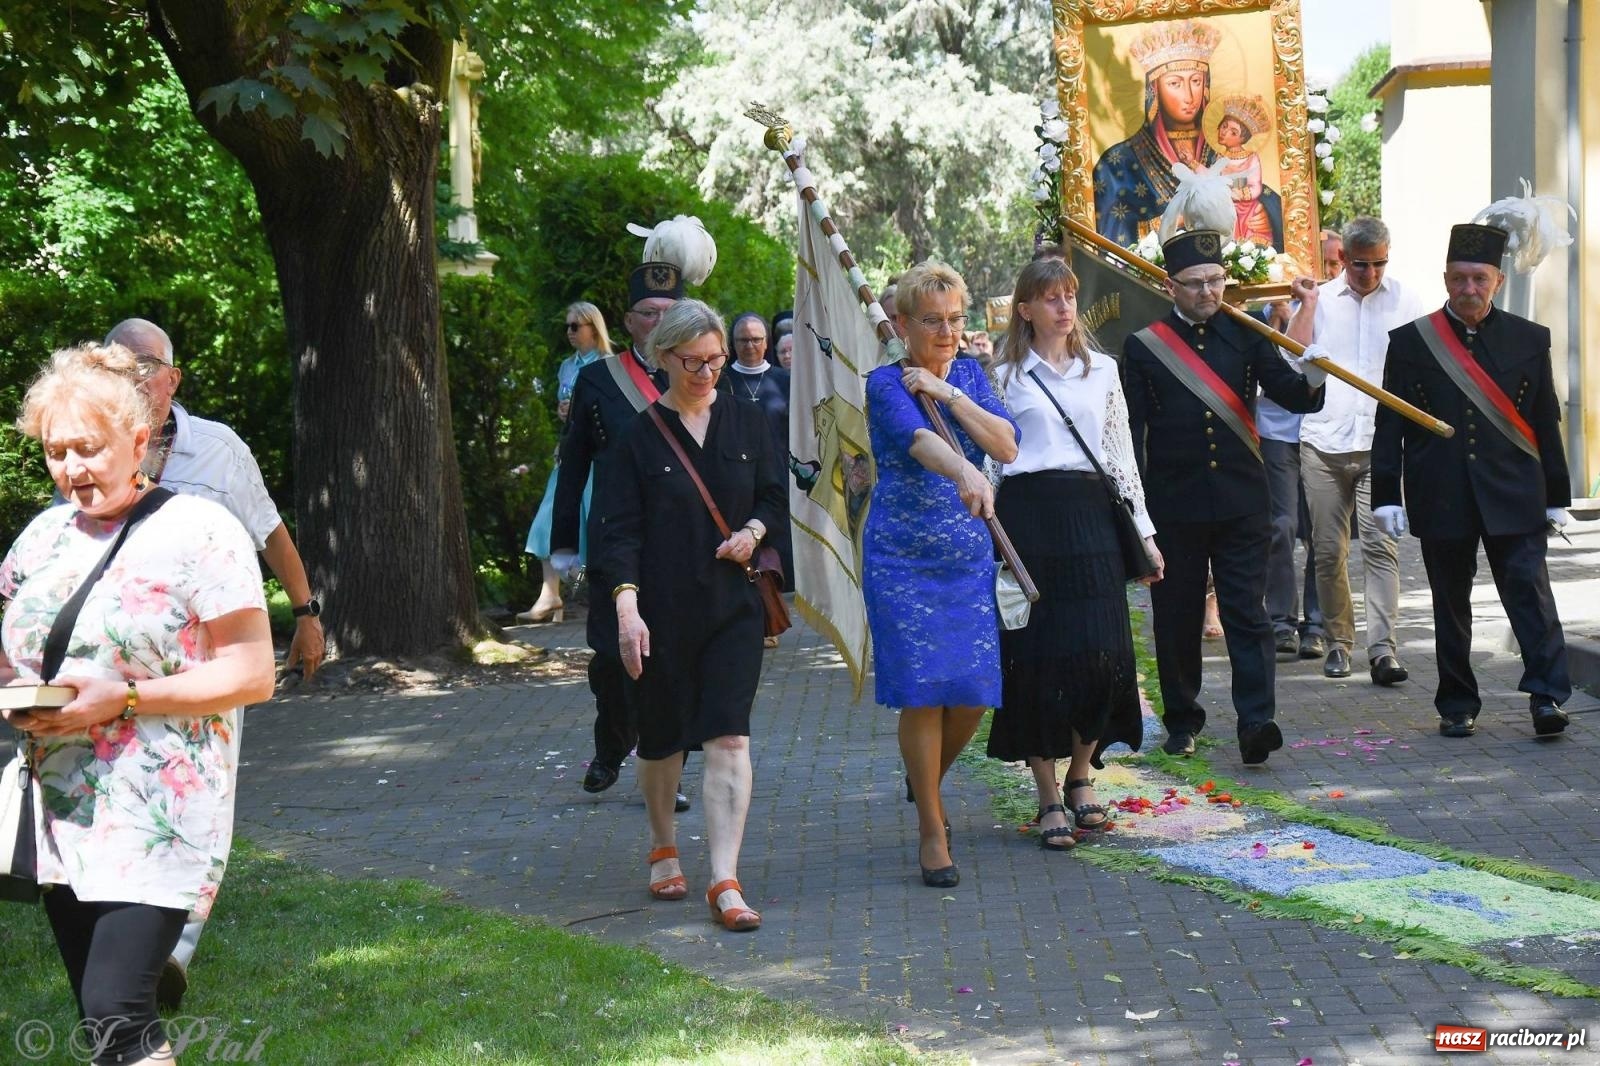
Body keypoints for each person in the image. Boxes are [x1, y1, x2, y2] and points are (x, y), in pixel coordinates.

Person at [1, 344, 276, 1064]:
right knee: (106, 1023)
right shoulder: (41, 539)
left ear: (137, 437)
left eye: (87, 449)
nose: (71, 469)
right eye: (56, 452)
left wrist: (121, 697)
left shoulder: (201, 531)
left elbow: (253, 673)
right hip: (63, 810)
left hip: (158, 810)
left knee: (117, 1007)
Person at [104, 315, 322, 1010]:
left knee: (204, 798)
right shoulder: (94, 449)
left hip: (213, 660)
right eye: (124, 364)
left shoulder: (219, 450)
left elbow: (270, 532)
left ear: (174, 376)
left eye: (150, 366)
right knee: (129, 793)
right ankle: (127, 923)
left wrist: (308, 614)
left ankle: (174, 945)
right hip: (122, 661)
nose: (140, 378)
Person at [599, 300, 786, 931]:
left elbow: (774, 496)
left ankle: (725, 880)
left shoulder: (749, 421)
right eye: (692, 361)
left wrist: (754, 530)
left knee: (730, 734)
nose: (707, 371)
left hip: (732, 603)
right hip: (660, 608)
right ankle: (662, 844)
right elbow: (618, 530)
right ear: (664, 358)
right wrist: (627, 608)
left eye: (716, 360)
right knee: (661, 738)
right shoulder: (637, 437)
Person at [1121, 230, 1326, 765]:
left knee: (1247, 614)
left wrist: (1315, 369)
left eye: (1216, 280)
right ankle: (1183, 720)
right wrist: (1136, 513)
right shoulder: (1144, 346)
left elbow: (1293, 395)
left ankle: (1257, 720)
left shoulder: (1248, 335)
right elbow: (1130, 436)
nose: (1208, 291)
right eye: (1195, 284)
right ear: (1171, 285)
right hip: (1174, 504)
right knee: (1177, 618)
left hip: (1242, 501)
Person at [1371, 222, 1574, 738]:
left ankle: (1547, 696)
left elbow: (1545, 421)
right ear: (1445, 278)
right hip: (1442, 491)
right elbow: (1389, 422)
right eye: (1459, 278)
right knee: (1450, 604)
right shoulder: (1412, 342)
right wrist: (1385, 495)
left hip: (1515, 491)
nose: (1469, 289)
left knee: (1530, 595)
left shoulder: (1530, 339)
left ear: (1498, 282)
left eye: (1479, 279)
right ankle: (1457, 702)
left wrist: (1557, 496)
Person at [988, 257, 1162, 850]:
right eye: (1050, 298)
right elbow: (992, 460)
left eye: (1069, 296)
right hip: (1029, 517)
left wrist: (1144, 531)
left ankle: (1082, 774)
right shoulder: (1003, 374)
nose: (1064, 307)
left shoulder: (1104, 371)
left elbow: (1120, 455)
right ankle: (1046, 796)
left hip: (1092, 518)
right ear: (1025, 309)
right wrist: (986, 532)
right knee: (1036, 656)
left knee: (1101, 652)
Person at [862, 261, 1020, 886]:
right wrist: (963, 471)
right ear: (902, 324)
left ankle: (923, 776)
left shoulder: (973, 376)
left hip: (965, 554)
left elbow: (1007, 444)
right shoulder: (884, 383)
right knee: (924, 691)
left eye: (956, 319)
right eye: (932, 321)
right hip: (903, 556)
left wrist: (949, 389)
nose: (948, 331)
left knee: (974, 694)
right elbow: (921, 445)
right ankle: (932, 824)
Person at [553, 264, 690, 812]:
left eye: (668, 314)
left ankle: (663, 767)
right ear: (629, 321)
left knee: (668, 661)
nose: (658, 324)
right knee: (612, 658)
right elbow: (573, 465)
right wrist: (564, 542)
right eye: (648, 314)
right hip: (615, 540)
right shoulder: (599, 380)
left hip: (679, 542)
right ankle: (611, 746)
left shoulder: (699, 372)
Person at [1285, 217, 1425, 684]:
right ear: (1343, 258)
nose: (1371, 274)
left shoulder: (1407, 301)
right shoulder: (1319, 299)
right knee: (1327, 551)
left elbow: (1423, 368)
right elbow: (1294, 354)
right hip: (1323, 441)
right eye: (1361, 264)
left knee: (1383, 549)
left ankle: (1383, 649)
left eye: (1380, 263)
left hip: (1381, 446)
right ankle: (1340, 643)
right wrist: (1304, 304)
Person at [1093, 21, 1280, 248]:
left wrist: (1261, 216)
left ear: (1206, 85)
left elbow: (1254, 195)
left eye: (1196, 81)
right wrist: (1170, 221)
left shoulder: (1224, 151)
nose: (1189, 96)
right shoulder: (1119, 163)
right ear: (1154, 89)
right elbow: (1110, 233)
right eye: (1175, 83)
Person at [516, 302, 612, 623]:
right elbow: (566, 414)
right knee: (550, 516)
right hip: (570, 450)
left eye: (576, 326)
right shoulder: (566, 367)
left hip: (600, 457)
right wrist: (566, 415)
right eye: (567, 327)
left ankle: (607, 593)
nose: (570, 333)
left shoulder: (610, 364)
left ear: (593, 328)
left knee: (599, 524)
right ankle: (550, 593)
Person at [721, 312, 793, 622]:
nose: (750, 345)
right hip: (736, 477)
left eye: (756, 339)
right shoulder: (722, 380)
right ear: (732, 344)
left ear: (767, 343)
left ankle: (772, 611)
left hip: (781, 475)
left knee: (776, 550)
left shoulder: (785, 380)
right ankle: (756, 613)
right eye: (742, 340)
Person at [1214, 95, 1278, 247]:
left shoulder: (1251, 157)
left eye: (1233, 132)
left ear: (1243, 139)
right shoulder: (1219, 157)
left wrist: (1242, 194)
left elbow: (1255, 185)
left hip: (1247, 206)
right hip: (1225, 203)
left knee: (1246, 229)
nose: (1224, 132)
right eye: (1224, 126)